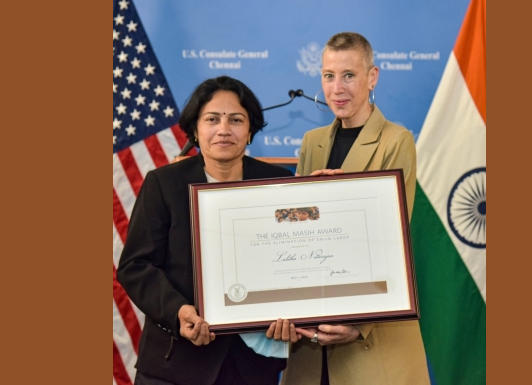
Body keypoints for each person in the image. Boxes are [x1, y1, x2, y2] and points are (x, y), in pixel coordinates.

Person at [117, 76, 300, 385]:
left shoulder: (278, 182)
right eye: (212, 119)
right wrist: (178, 311)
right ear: (195, 130)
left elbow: (295, 260)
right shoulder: (163, 184)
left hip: (250, 367)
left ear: (250, 130)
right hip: (174, 365)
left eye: (236, 120)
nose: (224, 129)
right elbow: (135, 266)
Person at [281, 33, 430, 385]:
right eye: (329, 76)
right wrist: (301, 207)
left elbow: (390, 239)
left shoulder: (396, 140)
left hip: (371, 336)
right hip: (310, 339)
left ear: (372, 77)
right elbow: (295, 236)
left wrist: (359, 324)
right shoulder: (312, 142)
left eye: (349, 75)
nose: (337, 88)